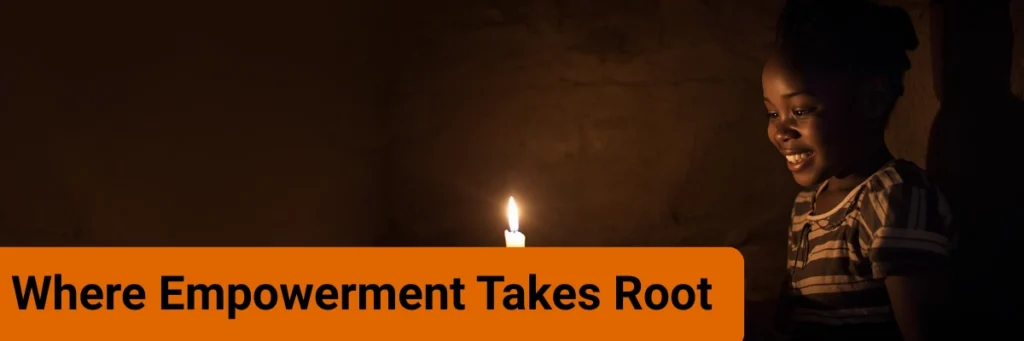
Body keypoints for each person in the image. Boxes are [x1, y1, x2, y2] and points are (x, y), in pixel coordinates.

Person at [761, 1, 955, 340]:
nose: (781, 131)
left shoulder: (894, 198)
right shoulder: (805, 207)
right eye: (773, 114)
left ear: (872, 102)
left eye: (801, 111)